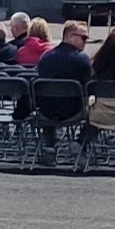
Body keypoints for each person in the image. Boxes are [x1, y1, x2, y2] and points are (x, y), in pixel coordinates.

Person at [32, 21, 92, 151]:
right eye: (83, 38)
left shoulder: (45, 57)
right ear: (70, 36)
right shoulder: (83, 59)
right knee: (98, 111)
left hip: (45, 112)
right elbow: (90, 88)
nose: (85, 42)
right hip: (74, 112)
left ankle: (49, 146)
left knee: (48, 99)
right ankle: (80, 143)